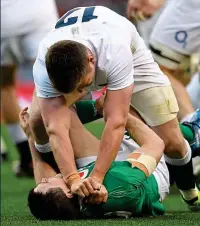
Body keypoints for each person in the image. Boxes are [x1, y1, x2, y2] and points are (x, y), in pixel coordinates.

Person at [30, 6, 199, 209]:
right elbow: (55, 129)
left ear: (92, 61)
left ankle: (189, 191)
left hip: (130, 56)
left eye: (85, 84)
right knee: (36, 120)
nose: (83, 91)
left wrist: (97, 178)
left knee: (171, 141)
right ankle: (59, 181)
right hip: (81, 54)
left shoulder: (114, 49)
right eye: (78, 89)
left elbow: (116, 122)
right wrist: (72, 178)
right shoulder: (43, 65)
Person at [20, 106, 169, 220]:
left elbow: (43, 177)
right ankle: (187, 134)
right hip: (152, 174)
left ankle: (99, 107)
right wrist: (115, 110)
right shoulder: (119, 183)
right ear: (68, 193)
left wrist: (29, 136)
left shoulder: (67, 204)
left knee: (58, 110)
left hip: (109, 173)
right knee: (129, 105)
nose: (45, 179)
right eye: (46, 183)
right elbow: (155, 144)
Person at [1, 0, 58, 176]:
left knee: (5, 85)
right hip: (40, 13)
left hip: (5, 19)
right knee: (54, 80)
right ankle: (67, 152)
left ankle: (28, 160)